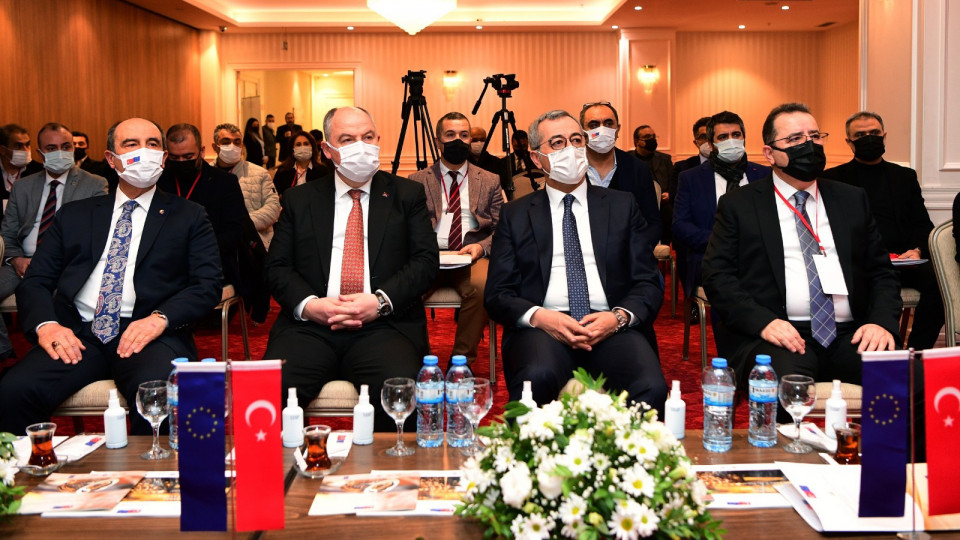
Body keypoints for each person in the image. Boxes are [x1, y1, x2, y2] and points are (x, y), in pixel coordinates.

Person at [0, 117, 221, 435]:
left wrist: (160, 319)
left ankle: (151, 467)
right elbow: (36, 281)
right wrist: (47, 326)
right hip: (77, 333)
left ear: (163, 157)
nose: (143, 151)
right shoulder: (75, 215)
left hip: (149, 333)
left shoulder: (189, 215)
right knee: (13, 391)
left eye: (152, 144)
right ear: (111, 159)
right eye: (131, 144)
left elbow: (206, 285)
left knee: (158, 397)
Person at [701, 103, 901, 423]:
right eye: (795, 139)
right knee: (780, 386)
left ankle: (884, 457)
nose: (809, 145)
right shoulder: (740, 204)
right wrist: (764, 323)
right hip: (780, 334)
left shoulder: (851, 199)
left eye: (814, 136)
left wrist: (880, 322)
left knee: (910, 379)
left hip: (852, 333)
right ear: (770, 154)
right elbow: (718, 276)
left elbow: (881, 272)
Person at [264, 106, 438, 432]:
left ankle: (388, 465)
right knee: (269, 393)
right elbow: (277, 267)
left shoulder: (407, 195)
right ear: (328, 150)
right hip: (310, 327)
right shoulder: (300, 199)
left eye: (367, 137)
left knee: (400, 396)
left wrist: (380, 301)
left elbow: (425, 262)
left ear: (378, 141)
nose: (361, 146)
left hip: (384, 326)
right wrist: (310, 306)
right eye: (347, 139)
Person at [484, 109, 667, 414]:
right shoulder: (515, 215)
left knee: (650, 385)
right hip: (544, 328)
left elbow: (647, 282)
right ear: (536, 158)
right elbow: (498, 293)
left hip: (611, 323)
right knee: (536, 377)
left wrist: (618, 317)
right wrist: (542, 318)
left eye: (576, 140)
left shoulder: (622, 205)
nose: (570, 149)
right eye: (557, 143)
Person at [823, 111, 943, 350]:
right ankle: (869, 348)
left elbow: (922, 224)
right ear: (849, 142)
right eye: (860, 135)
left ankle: (916, 352)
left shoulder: (905, 177)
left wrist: (917, 250)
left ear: (884, 136)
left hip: (904, 261)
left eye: (874, 133)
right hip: (860, 264)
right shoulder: (833, 179)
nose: (869, 138)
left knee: (939, 283)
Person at [0, 123, 108, 363]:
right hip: (22, 264)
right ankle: (5, 354)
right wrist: (16, 259)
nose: (60, 152)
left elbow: (95, 235)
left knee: (60, 297)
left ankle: (61, 353)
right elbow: (7, 233)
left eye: (66, 146)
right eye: (51, 148)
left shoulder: (94, 184)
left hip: (64, 264)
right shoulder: (23, 186)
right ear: (40, 153)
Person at [408, 112, 503, 365]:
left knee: (482, 287)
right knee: (405, 289)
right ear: (438, 141)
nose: (458, 140)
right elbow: (407, 228)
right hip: (429, 257)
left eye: (464, 135)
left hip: (471, 256)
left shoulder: (490, 180)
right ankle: (416, 359)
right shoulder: (416, 181)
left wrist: (481, 248)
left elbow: (502, 229)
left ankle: (461, 361)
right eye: (450, 135)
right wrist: (424, 249)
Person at [672, 111, 770, 299]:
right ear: (711, 144)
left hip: (758, 262)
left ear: (744, 138)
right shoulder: (691, 178)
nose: (731, 141)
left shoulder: (764, 175)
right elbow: (680, 225)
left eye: (736, 135)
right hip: (712, 260)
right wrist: (721, 241)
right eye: (723, 137)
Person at [157, 124, 247, 299]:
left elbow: (234, 232)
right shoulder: (160, 182)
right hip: (166, 263)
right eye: (175, 157)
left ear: (202, 151)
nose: (181, 162)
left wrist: (193, 252)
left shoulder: (225, 182)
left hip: (211, 261)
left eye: (188, 157)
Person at [580, 102, 662, 256]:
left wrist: (635, 253)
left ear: (617, 130)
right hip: (581, 257)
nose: (602, 129)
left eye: (608, 123)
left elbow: (653, 224)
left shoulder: (638, 169)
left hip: (629, 257)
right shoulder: (571, 168)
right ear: (582, 132)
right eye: (594, 125)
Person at [212, 123, 280, 248]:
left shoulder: (260, 173)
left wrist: (242, 224)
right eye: (226, 142)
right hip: (216, 245)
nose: (232, 146)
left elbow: (273, 207)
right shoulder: (206, 174)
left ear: (242, 146)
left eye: (236, 142)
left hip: (254, 245)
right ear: (215, 147)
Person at [632, 124, 675, 243]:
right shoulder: (628, 159)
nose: (652, 140)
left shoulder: (665, 159)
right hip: (637, 207)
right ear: (636, 141)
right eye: (647, 137)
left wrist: (669, 194)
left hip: (663, 207)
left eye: (653, 136)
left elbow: (673, 183)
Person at [273, 131, 331, 199]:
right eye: (298, 144)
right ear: (292, 149)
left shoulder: (322, 171)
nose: (302, 147)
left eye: (306, 144)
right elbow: (273, 195)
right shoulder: (283, 171)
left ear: (312, 147)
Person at [0, 124, 43, 199]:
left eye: (27, 145)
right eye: (18, 146)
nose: (25, 150)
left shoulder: (40, 171)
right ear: (2, 150)